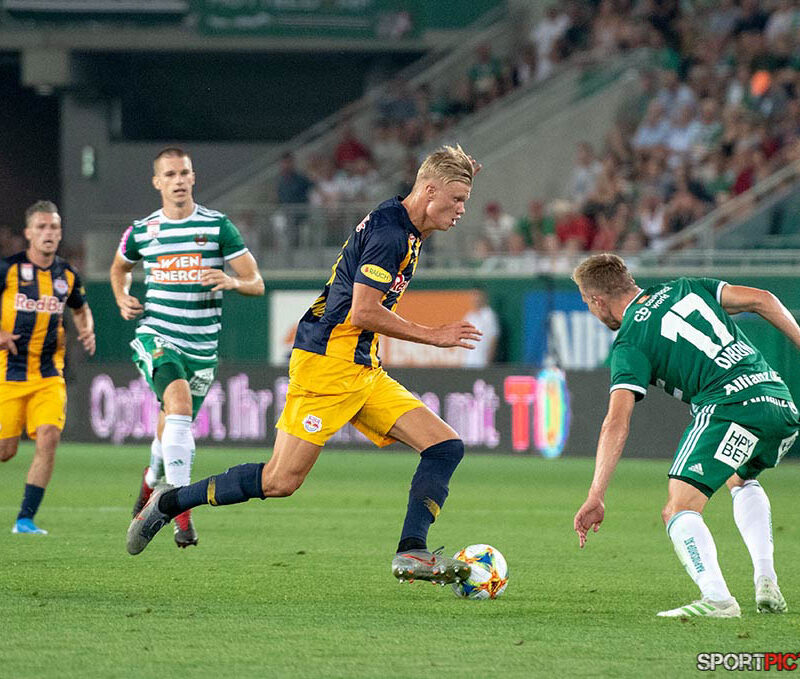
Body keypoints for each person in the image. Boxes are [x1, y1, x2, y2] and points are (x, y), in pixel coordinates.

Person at [127, 145, 483, 587]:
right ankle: (169, 501)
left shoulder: (405, 221)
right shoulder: (391, 235)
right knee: (279, 481)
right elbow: (363, 312)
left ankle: (411, 551)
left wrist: (459, 174)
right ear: (429, 191)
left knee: (445, 446)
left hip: (360, 367)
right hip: (327, 365)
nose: (462, 209)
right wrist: (435, 335)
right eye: (457, 199)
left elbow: (427, 198)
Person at [572, 253, 800, 618]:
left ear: (597, 300)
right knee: (740, 478)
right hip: (778, 403)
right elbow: (763, 299)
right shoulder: (686, 287)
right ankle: (766, 579)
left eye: (587, 304)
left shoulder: (631, 341)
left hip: (729, 406)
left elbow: (616, 422)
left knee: (678, 508)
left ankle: (717, 599)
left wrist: (596, 493)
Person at [110, 148, 264, 549]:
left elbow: (256, 282)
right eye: (170, 174)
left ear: (193, 177)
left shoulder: (217, 227)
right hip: (158, 336)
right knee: (177, 406)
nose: (178, 180)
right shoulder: (142, 231)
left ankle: (150, 482)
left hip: (202, 349)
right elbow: (120, 267)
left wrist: (232, 282)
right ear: (157, 182)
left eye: (184, 173)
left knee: (173, 424)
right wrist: (122, 296)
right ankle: (182, 518)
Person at [0, 201, 95, 535]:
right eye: (41, 227)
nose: (48, 233)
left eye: (53, 227)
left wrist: (87, 329)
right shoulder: (8, 269)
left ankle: (25, 520)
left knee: (49, 437)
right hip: (8, 375)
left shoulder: (67, 275)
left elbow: (80, 308)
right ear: (28, 233)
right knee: (6, 451)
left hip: (49, 376)